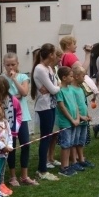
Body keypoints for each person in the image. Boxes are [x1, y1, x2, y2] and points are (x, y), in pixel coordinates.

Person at [2, 53, 36, 187]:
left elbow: (24, 92)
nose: (10, 67)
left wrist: (15, 80)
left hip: (23, 116)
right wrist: (14, 96)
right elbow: (3, 96)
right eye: (8, 65)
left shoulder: (23, 77)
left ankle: (24, 175)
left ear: (17, 64)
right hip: (9, 117)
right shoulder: (2, 79)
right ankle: (12, 176)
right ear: (4, 65)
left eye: (13, 64)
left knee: (25, 144)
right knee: (12, 147)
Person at [32, 43, 60, 181]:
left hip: (51, 104)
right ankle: (42, 169)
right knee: (45, 137)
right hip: (44, 107)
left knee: (49, 136)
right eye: (55, 53)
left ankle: (44, 165)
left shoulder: (49, 68)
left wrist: (54, 87)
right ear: (50, 55)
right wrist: (56, 87)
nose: (56, 56)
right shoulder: (40, 69)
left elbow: (53, 87)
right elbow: (54, 89)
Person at [55, 66, 80, 176]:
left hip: (74, 121)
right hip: (66, 122)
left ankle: (68, 165)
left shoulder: (70, 89)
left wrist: (77, 118)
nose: (73, 77)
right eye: (70, 76)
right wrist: (71, 119)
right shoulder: (60, 91)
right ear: (64, 78)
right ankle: (63, 167)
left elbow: (75, 105)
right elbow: (62, 107)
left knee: (70, 143)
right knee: (66, 144)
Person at [70, 65, 95, 169]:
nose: (84, 78)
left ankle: (81, 159)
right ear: (76, 76)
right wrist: (80, 117)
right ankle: (74, 161)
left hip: (84, 119)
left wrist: (87, 114)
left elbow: (83, 104)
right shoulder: (71, 89)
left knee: (81, 141)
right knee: (74, 141)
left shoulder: (80, 89)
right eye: (83, 76)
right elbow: (72, 105)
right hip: (77, 119)